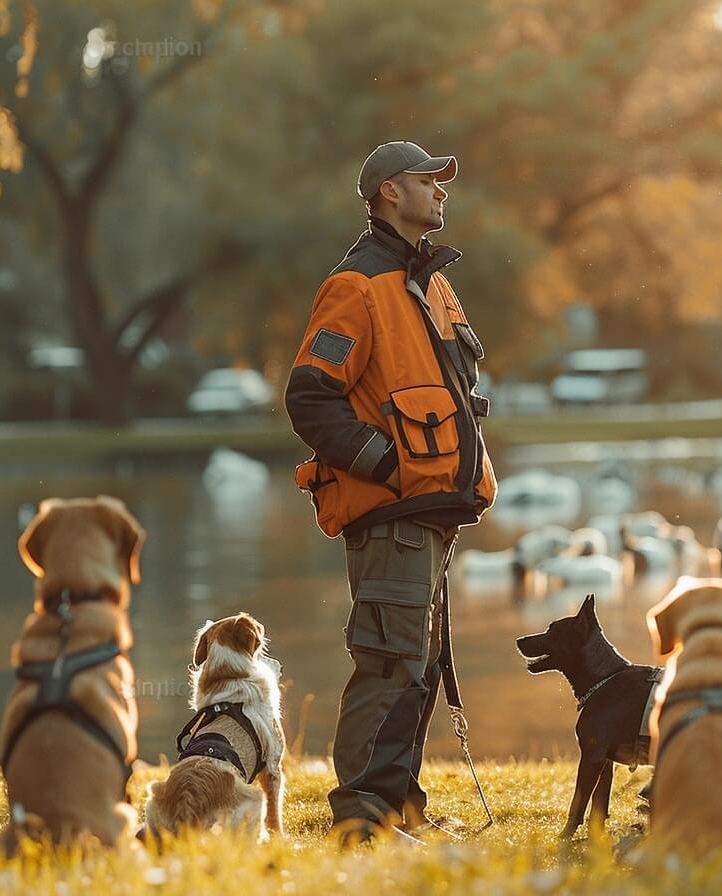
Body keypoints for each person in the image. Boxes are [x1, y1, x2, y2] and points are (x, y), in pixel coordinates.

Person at [284, 140, 497, 845]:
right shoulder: (356, 284)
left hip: (432, 517)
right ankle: (363, 820)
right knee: (390, 663)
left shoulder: (431, 281)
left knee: (420, 663)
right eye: (426, 180)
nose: (441, 191)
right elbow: (311, 398)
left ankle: (402, 809)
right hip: (393, 514)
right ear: (386, 194)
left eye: (442, 182)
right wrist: (385, 464)